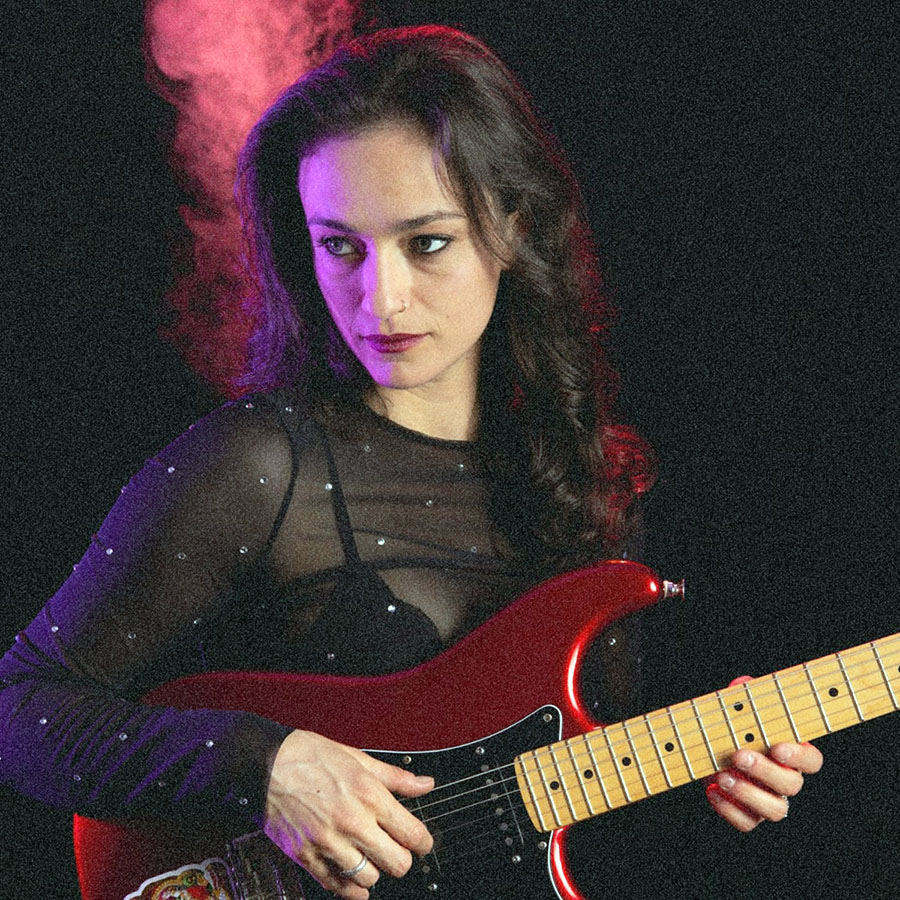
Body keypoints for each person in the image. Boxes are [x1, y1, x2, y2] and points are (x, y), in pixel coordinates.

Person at [0, 24, 821, 900]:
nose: (379, 299)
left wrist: (708, 780)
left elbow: (537, 823)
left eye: (426, 242)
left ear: (513, 228)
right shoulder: (259, 466)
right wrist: (266, 765)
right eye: (339, 246)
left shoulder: (589, 483)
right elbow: (21, 708)